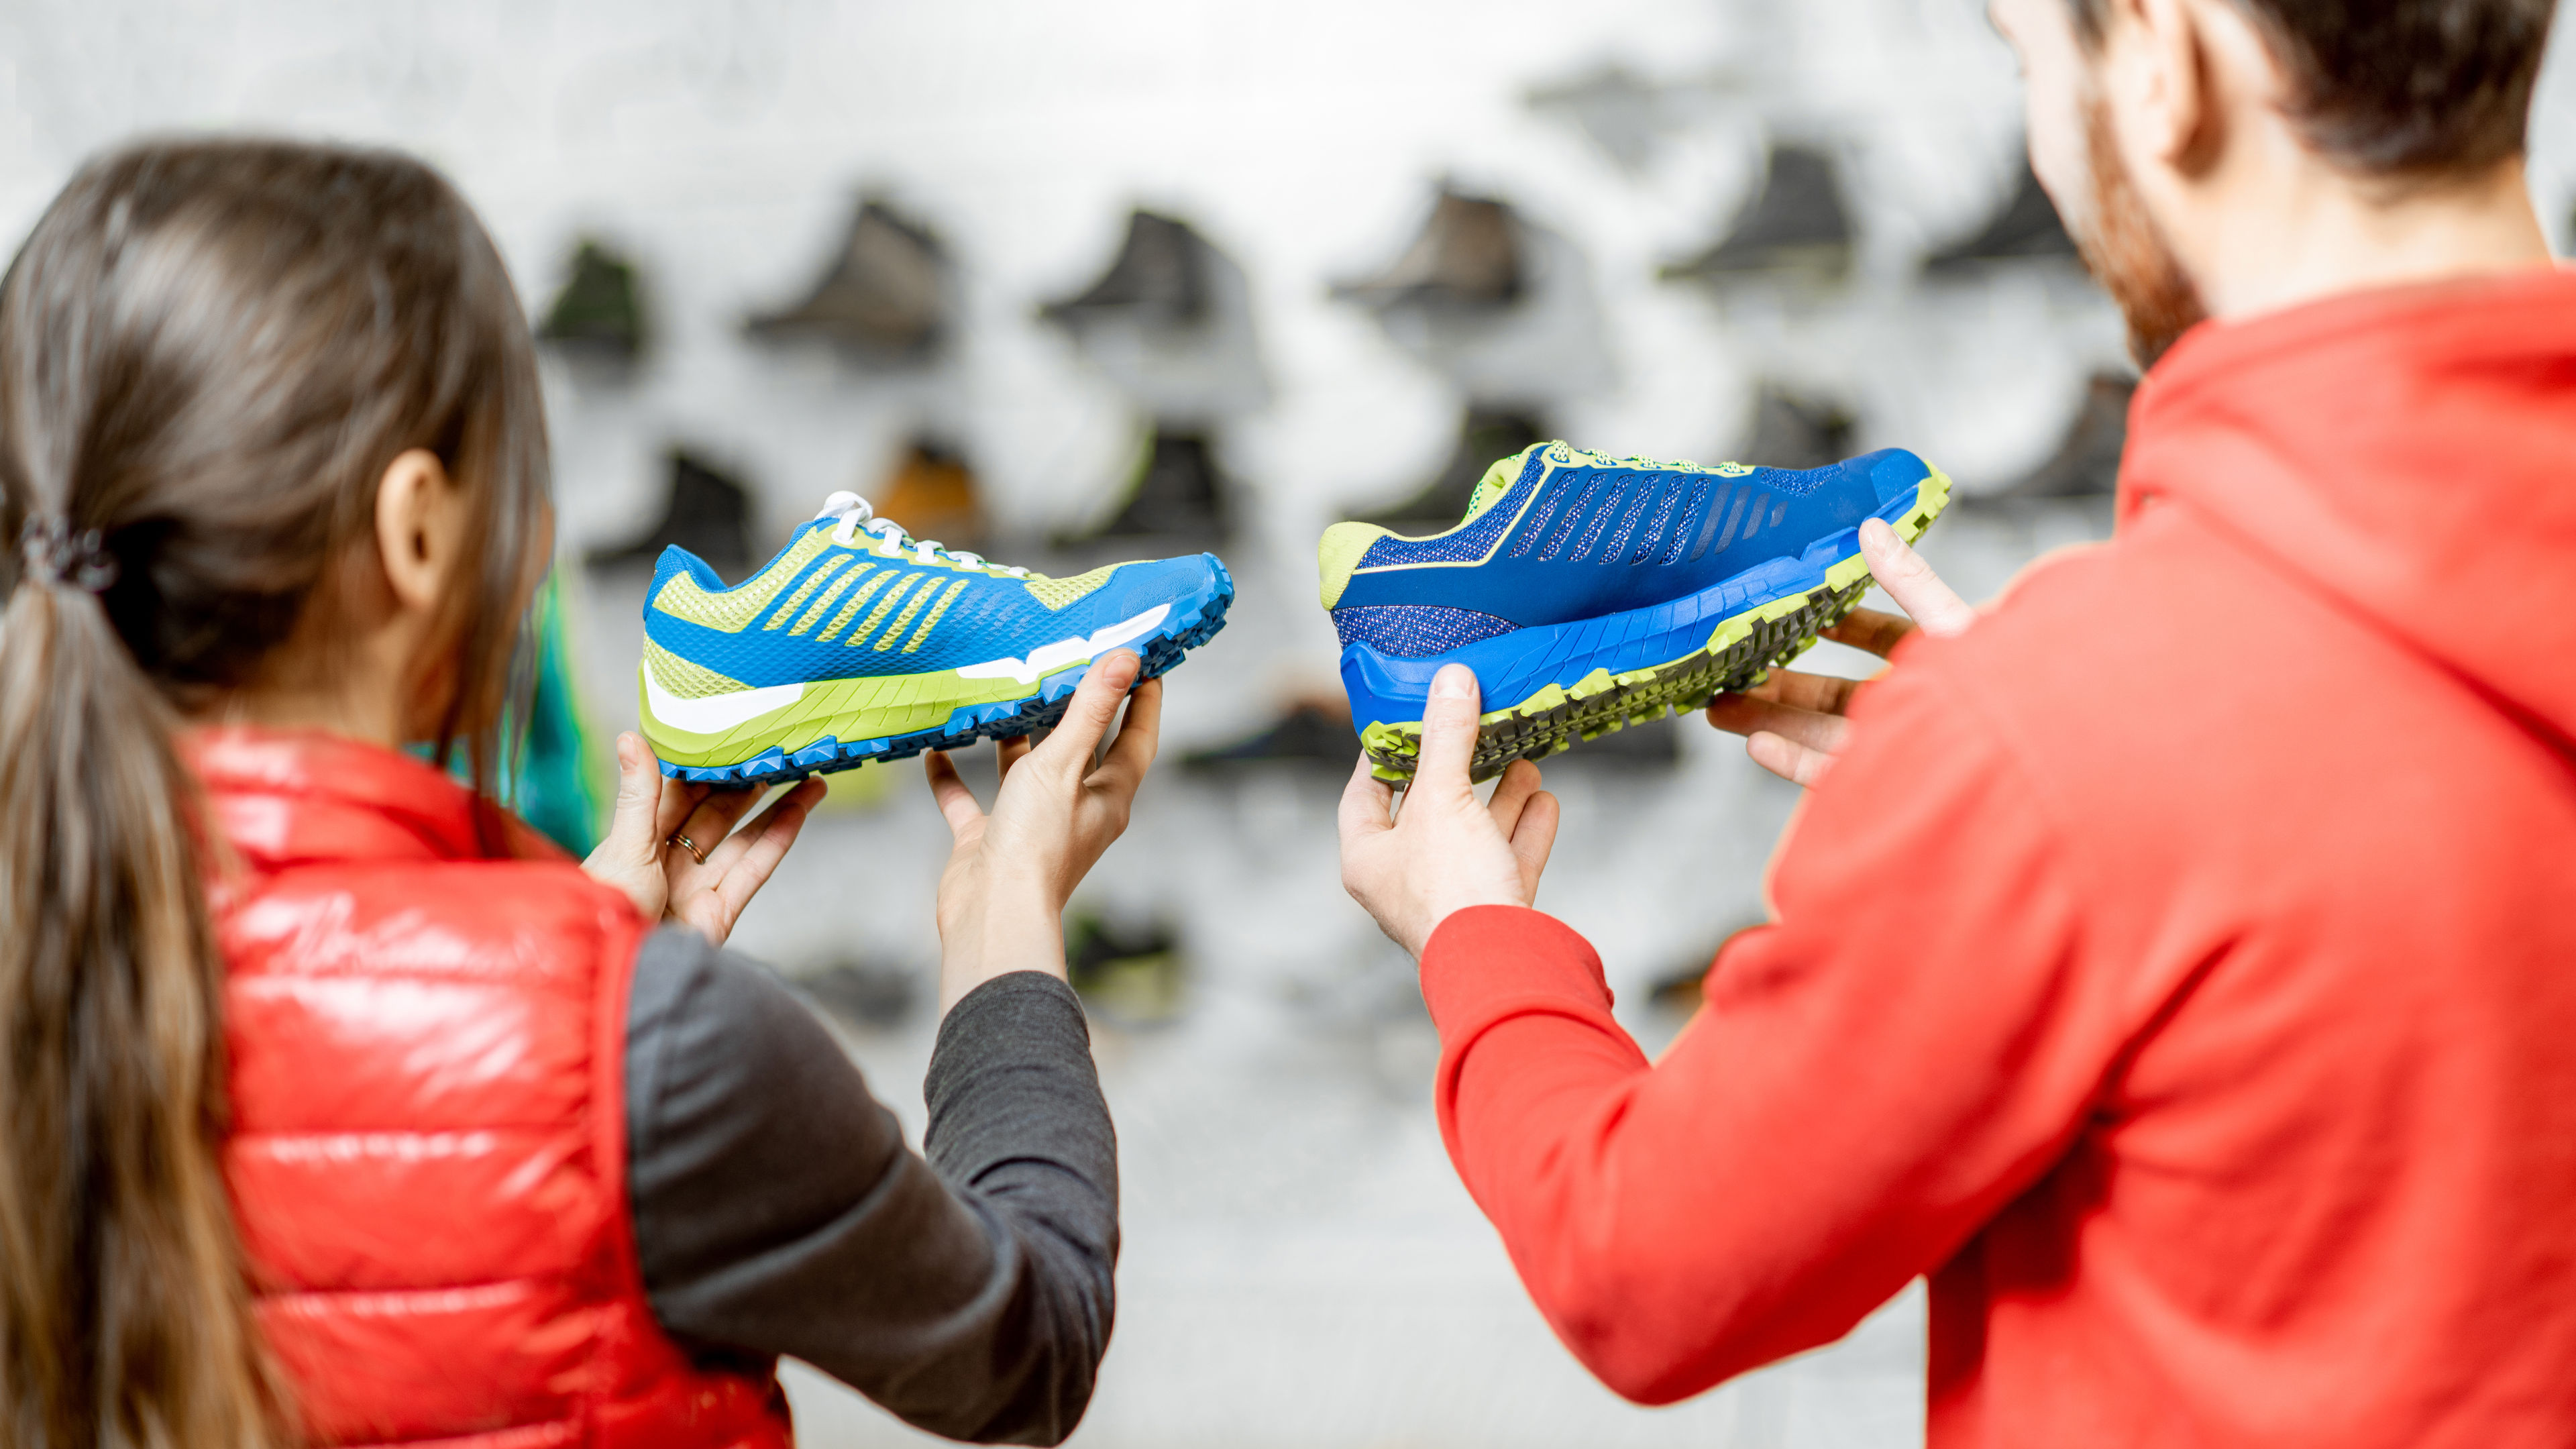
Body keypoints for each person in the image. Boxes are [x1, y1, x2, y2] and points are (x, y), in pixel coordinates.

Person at [1339, 0, 2576, 1442]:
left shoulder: (2072, 734)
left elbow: (1639, 1265)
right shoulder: (2097, 725)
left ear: (2163, 58)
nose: (2046, 145)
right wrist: (2049, 781)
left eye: (2029, 65)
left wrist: (1474, 936)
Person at [0, 138, 1155, 1448]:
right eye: (520, 474)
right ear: (416, 531)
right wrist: (1006, 922)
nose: (536, 537)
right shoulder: (643, 1049)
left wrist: (582, 970)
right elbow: (1027, 1349)